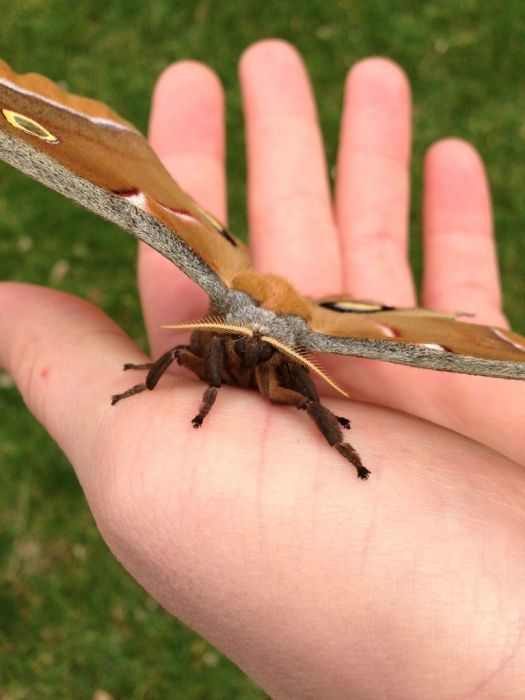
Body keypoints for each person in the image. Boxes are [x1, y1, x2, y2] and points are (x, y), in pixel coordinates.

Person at [1, 39, 524, 698]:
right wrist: (157, 374)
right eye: (236, 347)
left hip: (319, 322)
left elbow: (302, 390)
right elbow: (184, 351)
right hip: (227, 283)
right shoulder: (213, 337)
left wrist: (339, 434)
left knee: (320, 385)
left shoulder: (282, 363)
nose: (245, 356)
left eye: (255, 351)